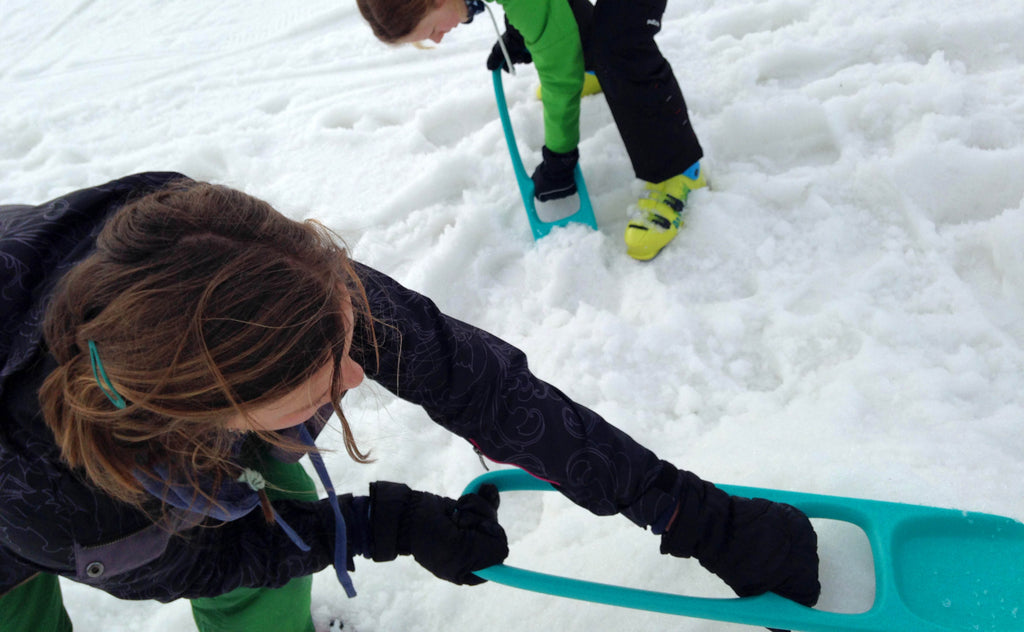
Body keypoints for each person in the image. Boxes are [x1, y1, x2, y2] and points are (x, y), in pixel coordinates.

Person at [0, 172, 819, 632]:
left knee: (268, 519)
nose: (355, 378)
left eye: (344, 348)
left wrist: (693, 516)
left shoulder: (248, 271)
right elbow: (213, 559)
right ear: (215, 404)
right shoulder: (57, 501)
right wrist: (384, 525)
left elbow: (476, 382)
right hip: (20, 518)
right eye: (323, 379)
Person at [354, 0, 710, 261]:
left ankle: (676, 170)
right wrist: (522, 26)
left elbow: (557, 64)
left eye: (430, 31)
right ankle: (596, 68)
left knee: (621, 40)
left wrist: (560, 156)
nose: (438, 38)